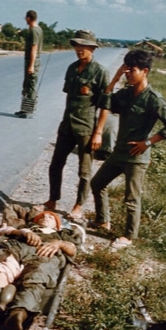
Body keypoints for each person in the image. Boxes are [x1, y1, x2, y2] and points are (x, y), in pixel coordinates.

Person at [90, 49, 166, 249]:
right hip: (119, 152)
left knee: (131, 198)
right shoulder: (126, 94)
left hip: (136, 157)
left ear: (145, 71)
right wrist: (114, 79)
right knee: (97, 184)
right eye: (126, 69)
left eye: (132, 70)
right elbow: (104, 102)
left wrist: (147, 142)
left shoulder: (153, 99)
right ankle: (103, 220)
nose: (128, 73)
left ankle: (129, 236)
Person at [0, 208, 82, 330]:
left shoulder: (62, 234)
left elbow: (73, 250)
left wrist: (58, 243)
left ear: (57, 225)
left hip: (44, 254)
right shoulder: (25, 227)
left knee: (37, 278)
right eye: (42, 216)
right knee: (1, 268)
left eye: (51, 217)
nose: (46, 216)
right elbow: (1, 231)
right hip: (17, 247)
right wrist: (21, 232)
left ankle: (17, 315)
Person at [43, 29, 110, 220]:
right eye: (77, 45)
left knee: (84, 171)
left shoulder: (100, 72)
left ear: (92, 48)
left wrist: (98, 133)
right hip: (67, 126)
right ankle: (52, 199)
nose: (79, 49)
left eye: (83, 46)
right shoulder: (72, 68)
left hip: (86, 128)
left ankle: (78, 205)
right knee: (55, 165)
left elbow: (105, 106)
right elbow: (69, 97)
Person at [15, 10, 43, 119]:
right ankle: (24, 110)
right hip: (32, 60)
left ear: (28, 18)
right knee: (27, 84)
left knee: (30, 85)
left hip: (32, 60)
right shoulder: (39, 29)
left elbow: (34, 48)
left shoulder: (34, 31)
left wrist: (31, 65)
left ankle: (28, 111)